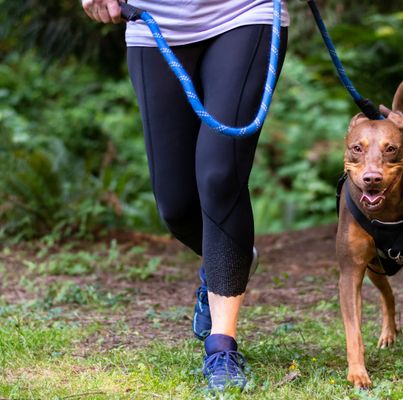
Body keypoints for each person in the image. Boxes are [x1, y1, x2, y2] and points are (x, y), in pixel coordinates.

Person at [81, 0, 289, 391]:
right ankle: (226, 261)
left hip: (244, 12)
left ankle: (222, 349)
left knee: (220, 175)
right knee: (175, 205)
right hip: (153, 20)